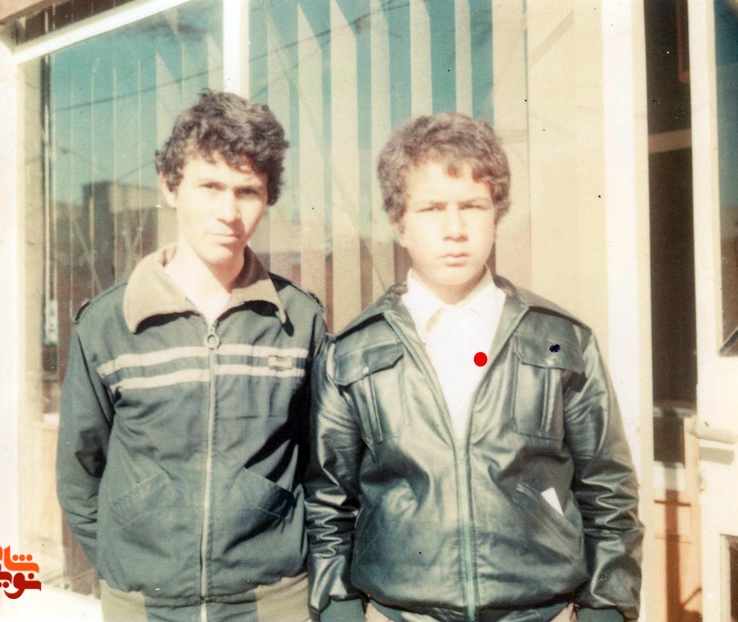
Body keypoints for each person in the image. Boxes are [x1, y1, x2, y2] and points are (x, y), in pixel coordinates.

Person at [305, 112, 643, 622]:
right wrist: (338, 608)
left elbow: (608, 489)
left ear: (496, 216)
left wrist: (607, 608)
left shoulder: (561, 341)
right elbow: (329, 501)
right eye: (431, 209)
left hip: (540, 613)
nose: (455, 229)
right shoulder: (352, 353)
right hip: (402, 614)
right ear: (399, 224)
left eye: (472, 206)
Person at [56, 89, 326, 622]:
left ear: (268, 198)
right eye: (210, 186)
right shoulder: (109, 324)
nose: (229, 212)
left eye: (247, 191)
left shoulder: (299, 320)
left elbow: (325, 470)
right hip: (144, 604)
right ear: (170, 185)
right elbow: (80, 471)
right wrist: (126, 570)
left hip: (272, 601)